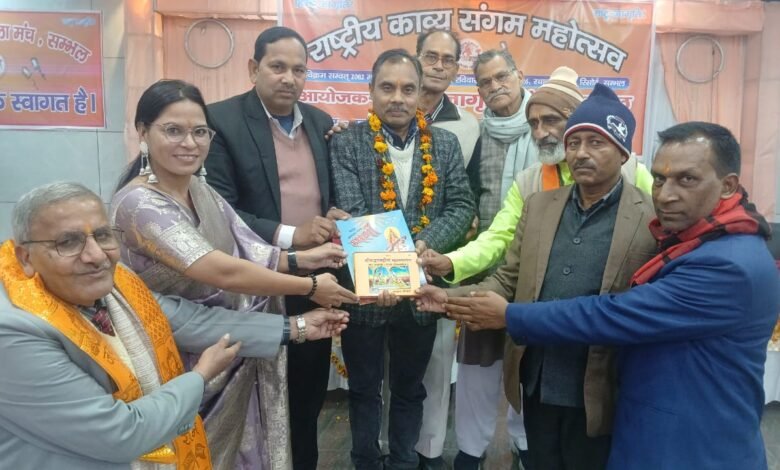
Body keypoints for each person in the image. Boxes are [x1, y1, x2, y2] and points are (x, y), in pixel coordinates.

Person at [439, 122, 778, 469]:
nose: (666, 195)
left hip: (691, 446)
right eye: (660, 179)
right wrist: (446, 298)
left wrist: (510, 315)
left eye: (687, 179)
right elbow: (509, 275)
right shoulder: (692, 240)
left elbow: (613, 314)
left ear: (728, 185)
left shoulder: (728, 264)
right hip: (605, 411)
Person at [0, 182, 350, 470]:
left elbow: (191, 321)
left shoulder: (118, 283)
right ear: (25, 258)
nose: (95, 256)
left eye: (103, 236)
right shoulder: (14, 331)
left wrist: (297, 327)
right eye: (68, 242)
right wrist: (198, 378)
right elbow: (121, 434)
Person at [110, 79, 357, 469]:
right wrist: (308, 286)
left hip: (231, 344)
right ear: (143, 132)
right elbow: (218, 268)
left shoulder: (199, 189)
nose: (189, 143)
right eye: (173, 130)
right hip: (178, 353)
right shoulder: (139, 204)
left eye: (199, 132)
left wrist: (303, 260)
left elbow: (248, 248)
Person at [418, 83, 658, 469]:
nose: (580, 153)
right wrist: (448, 299)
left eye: (596, 143)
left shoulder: (651, 218)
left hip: (604, 385)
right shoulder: (540, 205)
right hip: (537, 379)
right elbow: (507, 279)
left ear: (623, 152)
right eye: (574, 142)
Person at [204, 26, 347, 470]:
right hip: (251, 283)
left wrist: (335, 215)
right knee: (253, 402)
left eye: (298, 69)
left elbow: (327, 195)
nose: (289, 78)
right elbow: (220, 208)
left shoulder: (321, 123)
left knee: (306, 397)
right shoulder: (220, 122)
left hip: (313, 282)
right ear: (254, 68)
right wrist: (289, 235)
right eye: (278, 67)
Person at [329, 49, 475, 470]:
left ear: (420, 93)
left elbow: (461, 205)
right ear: (371, 90)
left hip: (422, 291)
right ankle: (365, 461)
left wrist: (425, 244)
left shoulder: (444, 144)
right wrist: (386, 276)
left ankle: (404, 462)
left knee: (411, 389)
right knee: (363, 390)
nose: (398, 98)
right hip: (365, 293)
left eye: (408, 89)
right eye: (387, 87)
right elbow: (353, 211)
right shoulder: (346, 142)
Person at [413, 29, 482, 469]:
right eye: (431, 56)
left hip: (437, 262)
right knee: (382, 366)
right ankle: (390, 447)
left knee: (437, 364)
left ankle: (430, 451)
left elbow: (466, 200)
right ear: (415, 58)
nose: (439, 66)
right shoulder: (379, 117)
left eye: (448, 59)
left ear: (457, 68)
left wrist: (436, 246)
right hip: (381, 265)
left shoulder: (469, 126)